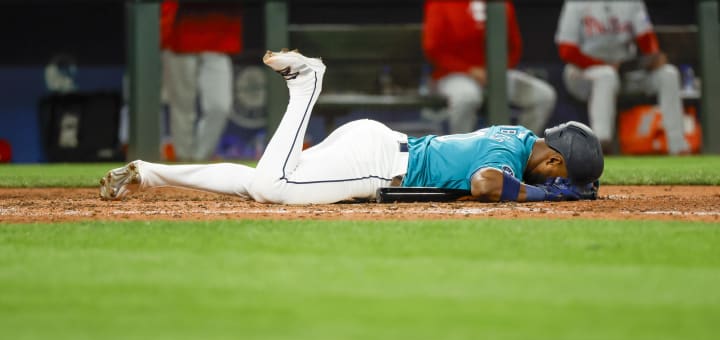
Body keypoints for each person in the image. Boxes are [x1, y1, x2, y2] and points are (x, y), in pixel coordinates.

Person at [99, 49, 603, 205]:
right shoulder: (512, 158)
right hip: (377, 165)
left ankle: (149, 172)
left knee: (260, 182)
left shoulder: (517, 136)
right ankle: (307, 85)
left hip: (374, 143)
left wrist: (559, 187)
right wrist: (551, 198)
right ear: (553, 159)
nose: (558, 181)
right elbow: (485, 184)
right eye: (561, 175)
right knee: (275, 187)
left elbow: (507, 171)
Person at [555, 0, 688, 155]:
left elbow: (646, 37)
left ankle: (678, 147)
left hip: (623, 71)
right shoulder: (576, 4)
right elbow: (567, 51)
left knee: (668, 74)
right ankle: (600, 145)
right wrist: (603, 64)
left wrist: (653, 56)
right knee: (607, 75)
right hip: (582, 72)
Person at [422, 0, 557, 135]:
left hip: (495, 73)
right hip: (453, 74)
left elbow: (514, 47)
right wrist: (469, 70)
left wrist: (496, 70)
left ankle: (518, 148)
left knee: (544, 95)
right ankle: (461, 152)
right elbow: (433, 49)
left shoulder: (502, 4)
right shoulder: (440, 3)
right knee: (467, 97)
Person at [161, 1, 243, 161]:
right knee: (182, 107)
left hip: (219, 36)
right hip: (179, 36)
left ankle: (200, 159)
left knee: (220, 106)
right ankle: (183, 160)